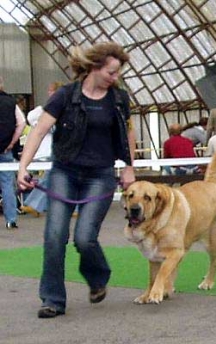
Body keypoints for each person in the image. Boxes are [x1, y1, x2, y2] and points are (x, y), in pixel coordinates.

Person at [17, 41, 136, 319]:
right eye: (111, 72)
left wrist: (129, 167)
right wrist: (24, 166)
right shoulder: (65, 96)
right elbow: (38, 130)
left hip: (101, 175)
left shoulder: (119, 99)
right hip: (64, 172)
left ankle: (97, 277)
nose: (115, 78)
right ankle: (53, 299)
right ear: (95, 68)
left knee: (84, 238)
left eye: (118, 73)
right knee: (55, 236)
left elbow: (128, 133)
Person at [21, 82, 63, 217]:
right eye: (49, 91)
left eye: (52, 91)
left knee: (51, 178)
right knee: (51, 178)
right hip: (50, 151)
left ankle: (34, 204)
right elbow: (31, 119)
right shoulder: (44, 110)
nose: (49, 93)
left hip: (58, 150)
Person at [0, 76, 26, 229]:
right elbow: (21, 123)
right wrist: (11, 143)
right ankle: (11, 219)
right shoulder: (11, 102)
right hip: (5, 149)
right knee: (7, 184)